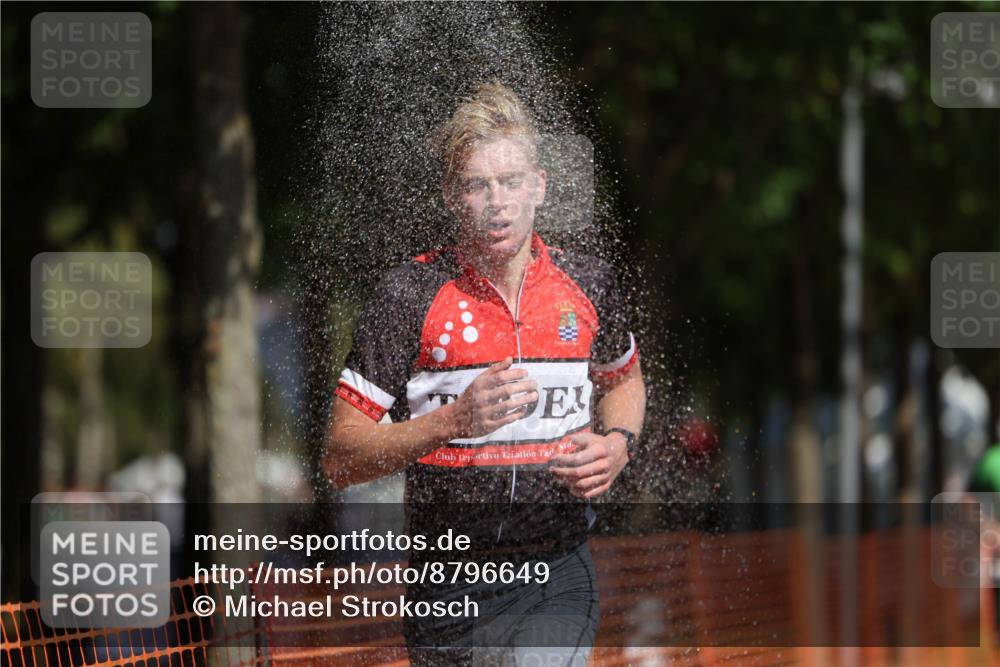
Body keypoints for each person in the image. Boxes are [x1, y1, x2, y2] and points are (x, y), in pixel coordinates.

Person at [324, 80, 646, 666]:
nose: (497, 201)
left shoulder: (589, 284)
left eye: (512, 181)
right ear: (452, 196)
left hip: (557, 569)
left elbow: (623, 379)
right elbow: (341, 458)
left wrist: (619, 443)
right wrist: (454, 419)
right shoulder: (408, 296)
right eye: (477, 184)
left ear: (540, 187)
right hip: (446, 582)